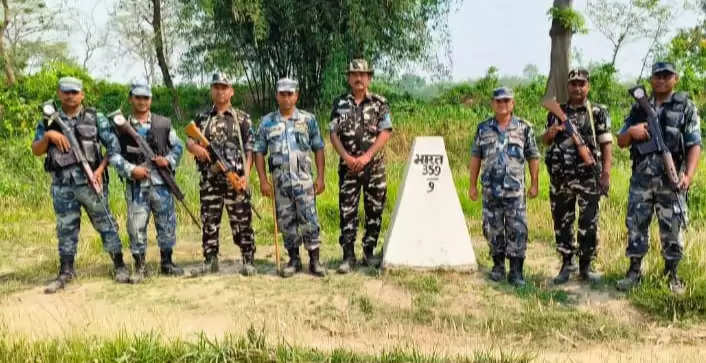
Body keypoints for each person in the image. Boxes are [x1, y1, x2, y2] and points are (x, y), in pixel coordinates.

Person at [31, 77, 128, 293]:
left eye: (75, 92)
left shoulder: (96, 118)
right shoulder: (49, 121)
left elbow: (113, 147)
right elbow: (36, 150)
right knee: (66, 229)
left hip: (91, 184)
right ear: (59, 94)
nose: (70, 96)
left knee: (105, 223)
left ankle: (120, 265)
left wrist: (100, 170)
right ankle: (66, 271)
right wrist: (49, 136)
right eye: (66, 92)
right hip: (63, 186)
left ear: (82, 95)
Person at [616, 62, 701, 294]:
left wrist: (689, 176)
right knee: (636, 226)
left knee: (672, 228)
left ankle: (672, 274)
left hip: (670, 181)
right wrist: (632, 133)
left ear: (676, 79)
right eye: (658, 76)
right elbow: (620, 141)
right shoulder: (638, 108)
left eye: (667, 75)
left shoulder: (686, 107)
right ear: (651, 79)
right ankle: (634, 272)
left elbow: (694, 145)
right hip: (641, 181)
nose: (662, 80)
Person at [541, 68, 612, 284]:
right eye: (573, 84)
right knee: (562, 221)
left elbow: (606, 143)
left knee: (589, 222)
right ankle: (566, 264)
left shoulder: (598, 112)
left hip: (588, 178)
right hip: (560, 178)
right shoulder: (555, 112)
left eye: (582, 84)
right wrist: (551, 133)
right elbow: (545, 141)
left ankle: (586, 266)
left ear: (588, 86)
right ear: (567, 87)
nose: (577, 88)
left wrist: (606, 173)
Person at [111, 82, 184, 282]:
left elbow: (178, 146)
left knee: (167, 223)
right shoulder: (120, 127)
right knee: (136, 226)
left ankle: (167, 263)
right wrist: (131, 170)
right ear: (131, 98)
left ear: (150, 99)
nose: (142, 102)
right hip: (137, 187)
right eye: (138, 97)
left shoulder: (162, 123)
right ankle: (140, 266)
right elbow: (113, 156)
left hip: (161, 184)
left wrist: (167, 160)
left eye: (146, 98)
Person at [254, 78, 327, 277]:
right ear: (277, 95)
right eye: (282, 94)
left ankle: (315, 260)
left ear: (296, 95)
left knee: (310, 219)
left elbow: (319, 148)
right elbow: (259, 152)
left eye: (290, 94)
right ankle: (294, 260)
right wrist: (263, 180)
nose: (286, 98)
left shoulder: (308, 119)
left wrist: (320, 178)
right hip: (280, 183)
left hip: (304, 181)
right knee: (287, 222)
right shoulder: (267, 122)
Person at [468, 87, 540, 286]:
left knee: (518, 229)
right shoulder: (483, 129)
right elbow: (476, 157)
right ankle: (498, 266)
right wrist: (472, 185)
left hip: (515, 191)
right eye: (499, 101)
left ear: (513, 103)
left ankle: (516, 272)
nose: (503, 104)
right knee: (493, 229)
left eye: (506, 101)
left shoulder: (524, 127)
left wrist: (535, 184)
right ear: (493, 104)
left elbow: (533, 156)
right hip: (491, 190)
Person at [186, 73, 256, 276]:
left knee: (242, 221)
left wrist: (246, 176)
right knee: (209, 221)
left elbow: (250, 150)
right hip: (210, 180)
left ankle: (248, 259)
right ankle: (210, 260)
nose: (220, 91)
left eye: (224, 87)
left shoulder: (242, 118)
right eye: (216, 87)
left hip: (235, 179)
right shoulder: (202, 118)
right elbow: (189, 140)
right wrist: (195, 148)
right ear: (211, 91)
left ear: (231, 91)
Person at [329, 59, 392, 274]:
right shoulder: (339, 104)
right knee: (347, 212)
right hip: (348, 169)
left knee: (374, 210)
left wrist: (367, 156)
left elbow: (385, 132)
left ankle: (369, 252)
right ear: (348, 78)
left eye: (363, 74)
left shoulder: (379, 103)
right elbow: (333, 134)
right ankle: (348, 256)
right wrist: (346, 157)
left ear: (369, 78)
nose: (359, 78)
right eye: (355, 74)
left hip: (373, 168)